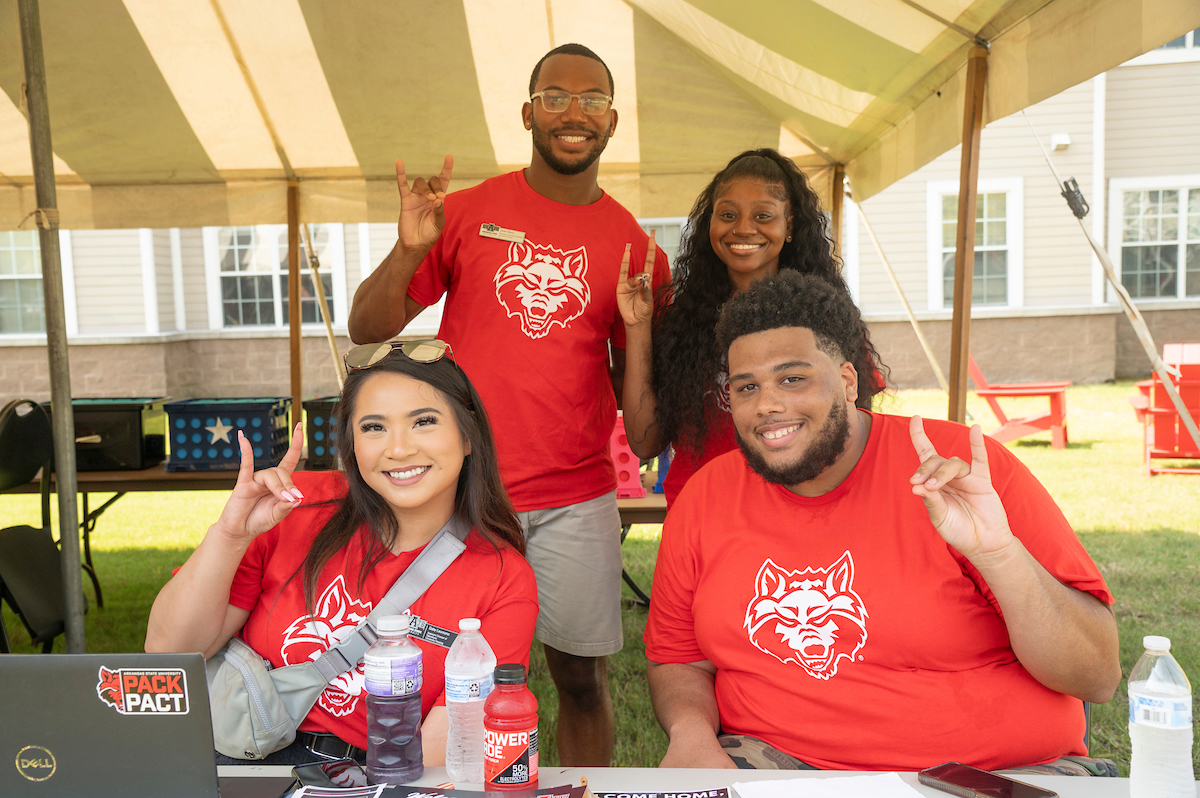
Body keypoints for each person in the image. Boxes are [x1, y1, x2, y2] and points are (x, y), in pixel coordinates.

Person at [644, 271, 1122, 773]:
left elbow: (1097, 677)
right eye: (746, 387)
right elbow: (679, 657)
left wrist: (999, 554)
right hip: (779, 766)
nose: (767, 405)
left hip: (993, 774)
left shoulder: (962, 469)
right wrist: (692, 733)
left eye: (792, 378)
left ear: (848, 382)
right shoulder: (706, 496)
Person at [346, 44, 671, 766]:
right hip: (463, 493)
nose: (573, 113)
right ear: (528, 113)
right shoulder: (465, 213)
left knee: (580, 677)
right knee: (449, 675)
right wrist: (407, 249)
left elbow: (641, 408)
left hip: (572, 498)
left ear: (613, 120)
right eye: (555, 98)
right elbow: (368, 328)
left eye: (591, 100)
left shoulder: (634, 249)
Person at [146, 341, 538, 765]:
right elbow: (170, 653)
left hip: (369, 780)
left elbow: (444, 750)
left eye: (423, 422)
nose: (399, 449)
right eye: (374, 428)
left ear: (466, 435)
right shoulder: (297, 504)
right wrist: (229, 535)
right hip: (241, 760)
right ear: (352, 443)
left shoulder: (501, 577)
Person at [617, 148, 883, 508]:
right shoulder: (682, 321)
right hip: (704, 514)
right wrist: (637, 328)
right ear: (708, 223)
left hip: (800, 514)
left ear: (789, 225)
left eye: (763, 215)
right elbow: (645, 443)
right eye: (727, 214)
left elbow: (858, 432)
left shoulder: (824, 315)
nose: (743, 228)